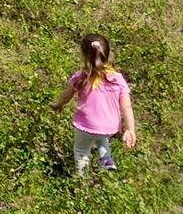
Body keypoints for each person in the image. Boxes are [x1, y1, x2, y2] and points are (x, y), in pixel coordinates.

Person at [51, 34, 137, 173]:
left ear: (84, 55)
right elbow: (126, 107)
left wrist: (57, 105)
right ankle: (106, 158)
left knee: (81, 151)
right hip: (109, 127)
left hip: (86, 126)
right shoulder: (117, 79)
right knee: (100, 136)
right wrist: (130, 129)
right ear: (107, 54)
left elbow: (66, 97)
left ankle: (82, 179)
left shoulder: (81, 77)